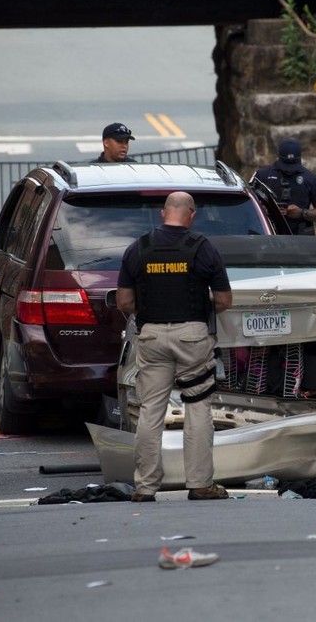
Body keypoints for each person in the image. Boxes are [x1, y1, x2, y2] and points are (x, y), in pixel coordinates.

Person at [117, 191, 232, 502]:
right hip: (192, 337)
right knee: (197, 407)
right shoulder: (203, 248)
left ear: (162, 214)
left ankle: (145, 487)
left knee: (150, 410)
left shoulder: (138, 248)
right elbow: (224, 300)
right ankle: (199, 484)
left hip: (151, 336)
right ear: (191, 215)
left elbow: (124, 301)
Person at [251, 138, 316, 235]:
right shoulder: (262, 175)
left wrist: (302, 213)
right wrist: (266, 209)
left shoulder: (311, 179)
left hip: (300, 236)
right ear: (278, 157)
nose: (289, 170)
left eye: (292, 166)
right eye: (286, 166)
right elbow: (247, 206)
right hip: (269, 233)